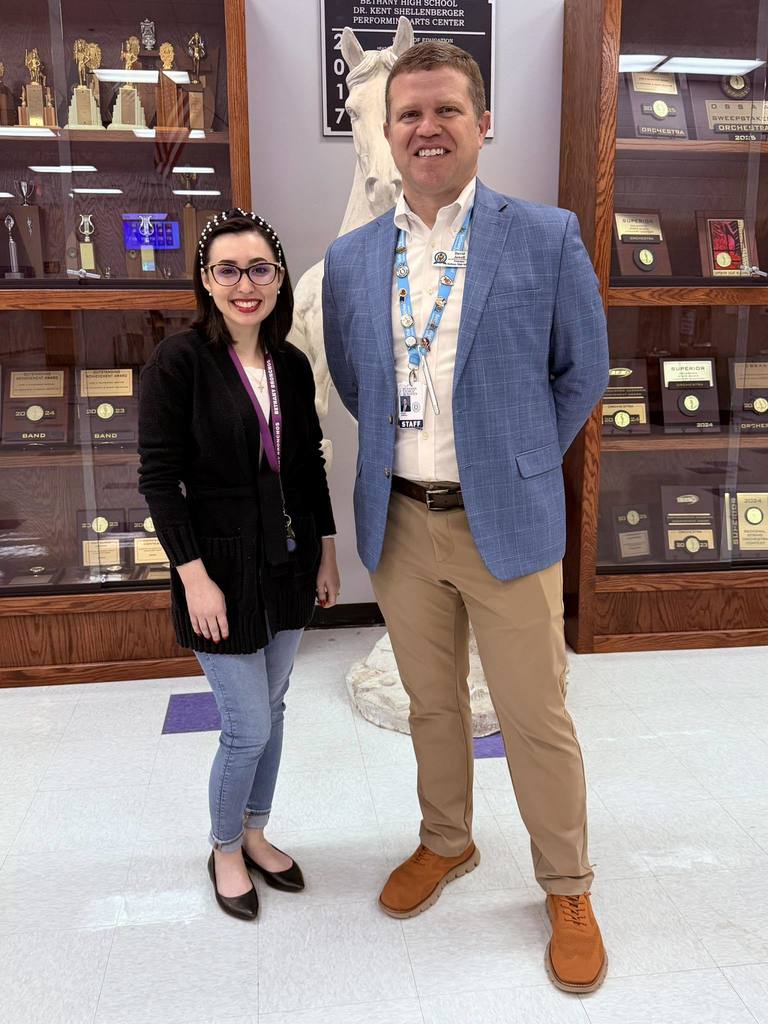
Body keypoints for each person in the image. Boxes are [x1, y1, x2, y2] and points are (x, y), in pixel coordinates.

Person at [322, 43, 609, 992]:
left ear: (483, 123)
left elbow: (583, 372)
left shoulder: (546, 234)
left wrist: (520, 460)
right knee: (432, 704)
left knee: (535, 716)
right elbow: (362, 381)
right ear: (388, 131)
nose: (427, 128)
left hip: (508, 523)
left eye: (447, 110)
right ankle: (447, 841)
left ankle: (565, 882)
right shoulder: (356, 256)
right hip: (402, 524)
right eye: (409, 114)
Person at [139, 208, 340, 921]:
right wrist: (192, 577)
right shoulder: (179, 362)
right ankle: (225, 845)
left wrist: (327, 549)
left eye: (259, 269)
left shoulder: (288, 361)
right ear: (206, 280)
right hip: (217, 568)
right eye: (228, 270)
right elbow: (160, 480)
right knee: (246, 722)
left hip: (286, 562)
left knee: (276, 706)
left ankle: (257, 830)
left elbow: (309, 465)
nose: (245, 284)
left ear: (278, 279)